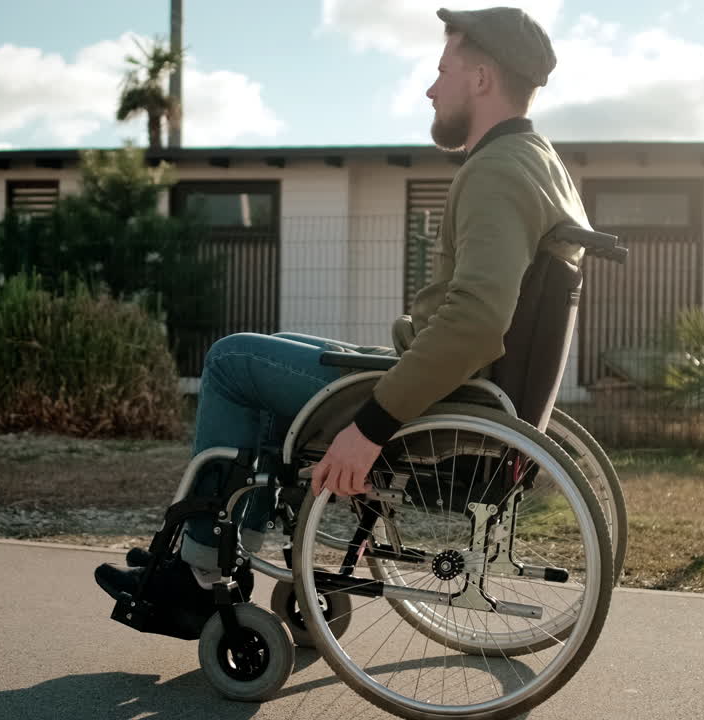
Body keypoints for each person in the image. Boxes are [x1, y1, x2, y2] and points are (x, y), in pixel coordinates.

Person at [95, 5, 592, 640]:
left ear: (482, 78)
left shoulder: (497, 171)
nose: (430, 86)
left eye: (443, 70)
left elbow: (475, 321)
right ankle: (223, 554)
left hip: (445, 400)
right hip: (466, 390)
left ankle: (193, 574)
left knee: (231, 360)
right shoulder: (541, 161)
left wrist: (372, 425)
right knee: (276, 353)